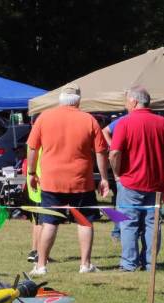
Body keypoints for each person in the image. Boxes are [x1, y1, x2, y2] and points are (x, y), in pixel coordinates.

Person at [26, 83, 110, 276]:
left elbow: (32, 148)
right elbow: (101, 151)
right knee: (85, 222)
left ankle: (40, 266)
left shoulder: (44, 117)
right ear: (79, 100)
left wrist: (31, 173)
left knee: (49, 222)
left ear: (60, 100)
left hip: (51, 180)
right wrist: (104, 178)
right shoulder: (89, 120)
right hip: (81, 181)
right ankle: (85, 264)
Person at [110, 87, 164, 272]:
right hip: (156, 182)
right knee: (153, 224)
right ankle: (150, 262)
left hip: (130, 181)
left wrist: (117, 174)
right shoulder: (163, 123)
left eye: (126, 101)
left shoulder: (124, 123)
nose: (125, 105)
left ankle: (129, 264)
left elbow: (114, 153)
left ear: (134, 102)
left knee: (129, 223)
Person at [102, 116, 126, 243]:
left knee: (120, 203)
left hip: (122, 170)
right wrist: (113, 146)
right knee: (120, 203)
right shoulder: (123, 120)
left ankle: (117, 232)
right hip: (120, 171)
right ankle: (117, 232)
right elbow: (105, 131)